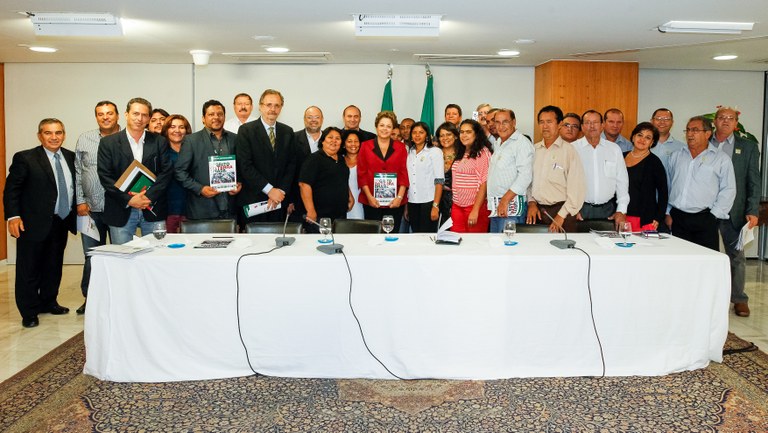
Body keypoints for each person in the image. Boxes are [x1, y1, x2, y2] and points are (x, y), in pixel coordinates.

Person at [4, 119, 76, 328]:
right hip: (32, 223)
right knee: (29, 269)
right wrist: (13, 217)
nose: (54, 137)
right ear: (39, 136)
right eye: (48, 133)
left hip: (61, 221)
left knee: (53, 265)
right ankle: (29, 312)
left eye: (58, 132)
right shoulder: (25, 158)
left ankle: (48, 302)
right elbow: (12, 190)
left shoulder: (70, 157)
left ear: (64, 134)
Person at [97, 97, 173, 244]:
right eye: (135, 114)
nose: (139, 118)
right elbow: (105, 176)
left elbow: (166, 173)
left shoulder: (159, 141)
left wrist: (147, 198)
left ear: (149, 118)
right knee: (123, 254)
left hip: (153, 207)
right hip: (121, 208)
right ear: (126, 115)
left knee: (156, 253)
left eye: (144, 115)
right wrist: (130, 199)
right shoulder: (108, 143)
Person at [710, 106, 760, 317]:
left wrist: (753, 209)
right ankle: (710, 297)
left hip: (735, 210)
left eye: (731, 118)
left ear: (736, 123)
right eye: (722, 117)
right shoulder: (704, 141)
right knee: (708, 255)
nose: (726, 121)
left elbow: (754, 181)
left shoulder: (748, 147)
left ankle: (739, 298)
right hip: (707, 210)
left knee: (736, 256)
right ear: (715, 121)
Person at [74, 100, 120, 314]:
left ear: (118, 115)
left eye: (109, 113)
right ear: (96, 117)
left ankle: (119, 298)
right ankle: (90, 298)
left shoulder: (126, 138)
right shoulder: (85, 139)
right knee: (92, 256)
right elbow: (78, 172)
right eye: (101, 114)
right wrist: (80, 200)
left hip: (120, 208)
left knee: (121, 254)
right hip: (91, 209)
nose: (105, 117)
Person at [665, 116, 735, 252]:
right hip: (678, 217)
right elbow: (669, 186)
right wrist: (668, 212)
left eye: (695, 130)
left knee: (705, 260)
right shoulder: (676, 156)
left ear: (707, 134)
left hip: (705, 218)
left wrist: (713, 215)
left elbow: (728, 189)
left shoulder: (721, 159)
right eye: (688, 130)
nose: (690, 134)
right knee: (679, 258)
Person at [235, 89, 298, 223]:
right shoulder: (246, 130)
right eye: (269, 105)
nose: (272, 109)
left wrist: (280, 191)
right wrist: (269, 190)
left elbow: (291, 165)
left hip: (279, 201)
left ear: (281, 108)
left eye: (277, 105)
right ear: (260, 106)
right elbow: (245, 165)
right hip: (254, 201)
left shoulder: (288, 131)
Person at [175, 100, 241, 224]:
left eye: (220, 114)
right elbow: (179, 172)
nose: (216, 117)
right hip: (201, 210)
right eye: (211, 114)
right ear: (203, 118)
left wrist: (240, 183)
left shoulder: (235, 138)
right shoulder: (191, 140)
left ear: (224, 117)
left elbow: (243, 167)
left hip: (230, 209)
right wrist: (200, 189)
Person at [526, 106, 586, 233]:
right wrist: (531, 202)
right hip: (538, 211)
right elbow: (528, 181)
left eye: (549, 122)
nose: (545, 126)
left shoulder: (569, 151)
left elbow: (576, 188)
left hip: (563, 212)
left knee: (564, 246)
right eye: (541, 122)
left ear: (559, 124)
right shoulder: (533, 150)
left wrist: (561, 215)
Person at [573, 110, 629, 230]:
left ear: (602, 125)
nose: (592, 126)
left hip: (608, 210)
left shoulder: (614, 149)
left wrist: (621, 210)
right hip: (580, 210)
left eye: (595, 122)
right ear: (582, 126)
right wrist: (572, 208)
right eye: (587, 122)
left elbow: (622, 182)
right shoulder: (572, 149)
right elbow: (565, 182)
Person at [357, 111, 409, 224]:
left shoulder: (401, 147)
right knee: (373, 233)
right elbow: (362, 174)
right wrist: (369, 197)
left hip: (395, 201)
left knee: (392, 233)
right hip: (371, 200)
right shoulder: (365, 146)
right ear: (376, 127)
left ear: (392, 129)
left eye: (388, 126)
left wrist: (399, 197)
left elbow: (404, 174)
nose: (385, 129)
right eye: (382, 125)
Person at [487, 109, 533, 232]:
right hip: (497, 206)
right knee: (496, 242)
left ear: (514, 122)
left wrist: (505, 200)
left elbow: (525, 176)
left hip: (511, 207)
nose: (501, 126)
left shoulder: (521, 143)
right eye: (497, 122)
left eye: (505, 122)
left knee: (508, 242)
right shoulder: (499, 142)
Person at [299, 127, 353, 230]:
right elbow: (304, 185)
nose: (334, 141)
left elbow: (342, 179)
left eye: (337, 138)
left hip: (340, 214)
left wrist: (350, 196)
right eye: (330, 137)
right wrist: (310, 210)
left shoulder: (341, 159)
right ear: (323, 141)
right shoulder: (314, 159)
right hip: (319, 216)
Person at [624, 122, 668, 232]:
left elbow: (663, 192)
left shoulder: (655, 162)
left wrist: (658, 217)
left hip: (644, 218)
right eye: (640, 135)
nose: (642, 139)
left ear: (652, 142)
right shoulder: (621, 156)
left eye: (648, 137)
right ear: (633, 137)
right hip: (621, 215)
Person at [451, 119, 492, 233]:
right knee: (456, 239)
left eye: (468, 132)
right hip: (457, 205)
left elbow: (484, 183)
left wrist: (475, 210)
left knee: (474, 241)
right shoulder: (461, 151)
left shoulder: (482, 153)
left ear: (476, 134)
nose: (464, 135)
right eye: (462, 132)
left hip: (475, 206)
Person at [406, 121, 444, 232]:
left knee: (428, 236)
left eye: (421, 132)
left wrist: (435, 206)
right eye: (414, 132)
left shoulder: (434, 152)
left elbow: (439, 180)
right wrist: (406, 207)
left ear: (427, 135)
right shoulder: (409, 153)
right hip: (412, 202)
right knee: (416, 235)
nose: (417, 135)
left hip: (429, 202)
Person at [162, 114, 192, 233]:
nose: (177, 130)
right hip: (169, 209)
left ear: (187, 130)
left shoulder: (194, 150)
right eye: (172, 127)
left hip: (193, 209)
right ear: (166, 130)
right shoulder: (161, 153)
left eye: (181, 127)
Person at [435, 122, 459, 221]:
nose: (445, 138)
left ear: (456, 136)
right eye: (442, 136)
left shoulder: (462, 154)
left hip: (458, 199)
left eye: (448, 134)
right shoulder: (434, 153)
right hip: (436, 198)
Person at [343, 130, 364, 219]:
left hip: (361, 202)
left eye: (356, 141)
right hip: (343, 202)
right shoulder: (339, 161)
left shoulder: (365, 161)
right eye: (349, 141)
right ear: (344, 144)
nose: (353, 144)